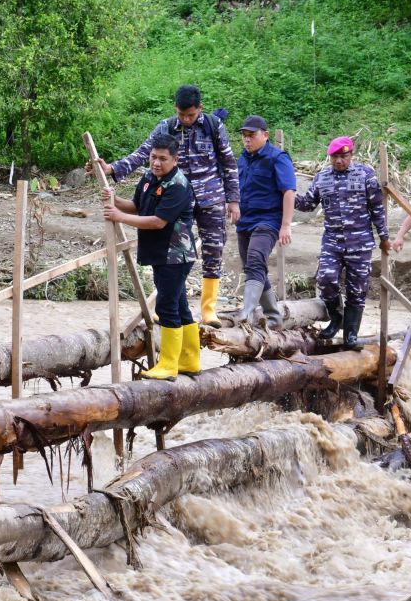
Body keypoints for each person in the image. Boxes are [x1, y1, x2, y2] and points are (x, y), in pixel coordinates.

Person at [90, 84, 239, 328]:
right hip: (176, 198)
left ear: (199, 109)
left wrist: (233, 200)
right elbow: (143, 154)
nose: (186, 119)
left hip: (209, 197)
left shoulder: (213, 126)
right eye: (182, 115)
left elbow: (229, 162)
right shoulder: (167, 127)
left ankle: (208, 309)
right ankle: (170, 303)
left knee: (213, 249)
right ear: (176, 109)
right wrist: (113, 169)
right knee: (173, 253)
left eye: (190, 115)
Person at [100, 134, 200, 380]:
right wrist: (114, 201)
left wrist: (118, 216)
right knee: (179, 304)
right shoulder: (148, 178)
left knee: (167, 306)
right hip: (158, 252)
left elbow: (157, 221)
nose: (156, 163)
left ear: (175, 160)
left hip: (175, 254)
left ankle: (168, 364)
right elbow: (136, 206)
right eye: (153, 157)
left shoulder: (178, 185)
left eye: (163, 159)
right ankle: (190, 360)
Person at [294, 136, 390, 348]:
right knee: (326, 279)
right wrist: (288, 194)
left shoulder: (365, 175)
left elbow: (377, 208)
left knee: (357, 290)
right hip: (332, 242)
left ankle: (351, 336)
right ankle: (336, 317)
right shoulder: (322, 177)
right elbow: (309, 203)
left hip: (360, 242)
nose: (339, 161)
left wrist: (384, 237)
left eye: (343, 156)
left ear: (351, 155)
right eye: (335, 157)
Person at [233, 115, 296, 329]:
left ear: (265, 135)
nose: (247, 140)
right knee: (253, 267)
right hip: (245, 221)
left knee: (255, 258)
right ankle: (274, 317)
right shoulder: (241, 159)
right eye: (244, 136)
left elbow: (289, 191)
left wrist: (286, 225)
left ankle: (247, 313)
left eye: (252, 135)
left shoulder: (278, 158)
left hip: (268, 220)